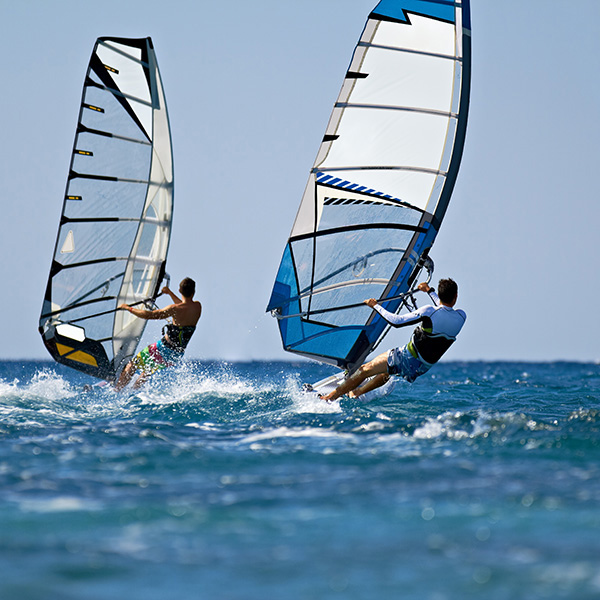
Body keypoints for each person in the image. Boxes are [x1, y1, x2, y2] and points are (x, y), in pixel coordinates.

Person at [321, 278, 466, 402]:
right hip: (421, 368)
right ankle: (357, 392)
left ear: (440, 295)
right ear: (456, 296)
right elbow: (444, 308)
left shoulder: (429, 311)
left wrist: (375, 306)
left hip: (407, 357)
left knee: (364, 370)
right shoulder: (461, 317)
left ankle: (329, 398)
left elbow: (397, 321)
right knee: (387, 371)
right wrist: (429, 290)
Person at [114, 277, 202, 390]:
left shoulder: (174, 309)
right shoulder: (197, 307)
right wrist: (170, 293)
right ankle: (133, 391)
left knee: (133, 364)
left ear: (180, 291)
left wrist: (128, 308)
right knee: (148, 370)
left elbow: (149, 315)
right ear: (193, 292)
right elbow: (184, 305)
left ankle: (117, 390)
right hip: (177, 354)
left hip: (164, 348)